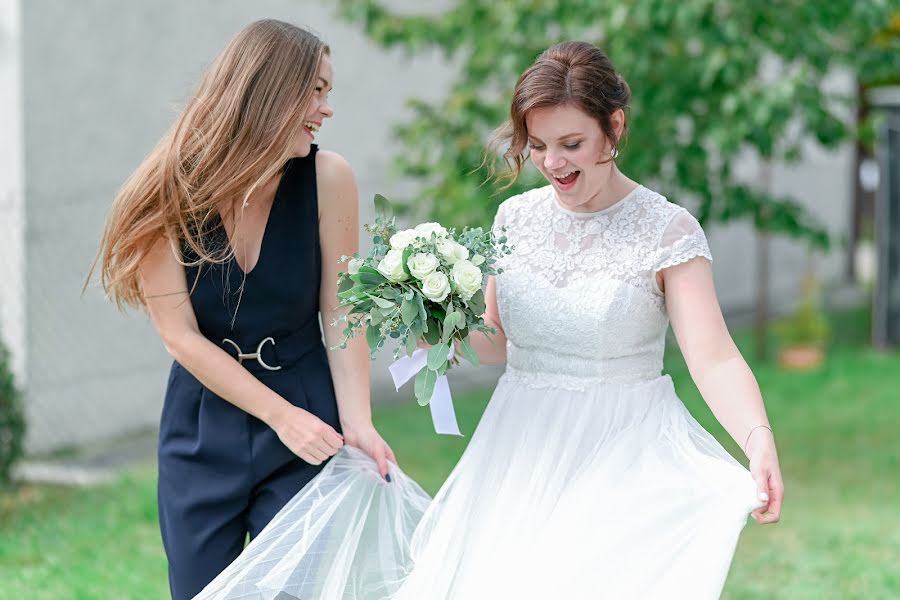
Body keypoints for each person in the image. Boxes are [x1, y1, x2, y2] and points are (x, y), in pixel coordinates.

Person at [192, 41, 784, 600]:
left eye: (572, 144)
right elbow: (497, 341)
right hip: (520, 445)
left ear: (615, 128)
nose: (552, 163)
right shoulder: (515, 218)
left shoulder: (667, 230)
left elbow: (713, 356)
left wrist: (757, 440)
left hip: (622, 443)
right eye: (538, 144)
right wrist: (426, 316)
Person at [89, 20, 395, 599]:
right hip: (204, 423)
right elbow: (179, 335)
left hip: (310, 408)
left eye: (328, 92)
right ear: (269, 90)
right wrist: (280, 417)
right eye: (315, 90)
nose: (326, 109)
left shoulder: (330, 178)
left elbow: (341, 309)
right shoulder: (168, 188)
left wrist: (357, 421)